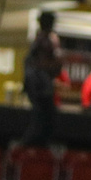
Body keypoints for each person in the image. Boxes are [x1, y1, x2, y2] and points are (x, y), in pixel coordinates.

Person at [20, 11, 61, 146]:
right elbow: (42, 64)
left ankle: (32, 148)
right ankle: (29, 149)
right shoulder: (43, 41)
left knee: (42, 121)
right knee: (43, 121)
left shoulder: (41, 39)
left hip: (38, 86)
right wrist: (58, 63)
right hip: (39, 87)